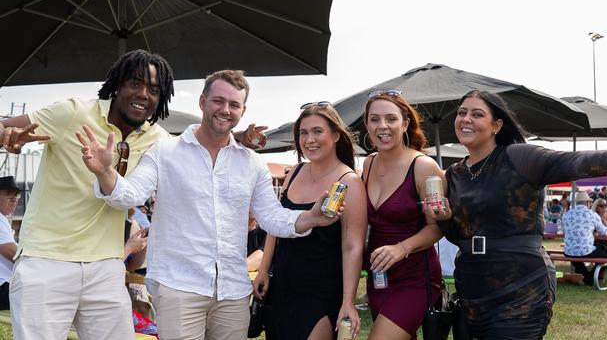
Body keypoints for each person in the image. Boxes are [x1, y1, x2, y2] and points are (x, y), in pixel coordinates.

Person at [0, 50, 266, 340]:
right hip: (45, 261)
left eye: (154, 90)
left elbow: (198, 144)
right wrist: (7, 137)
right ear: (118, 84)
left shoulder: (157, 139)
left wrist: (239, 139)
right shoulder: (73, 112)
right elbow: (8, 128)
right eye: (135, 83)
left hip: (106, 265)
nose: (143, 94)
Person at [77, 70, 343, 340]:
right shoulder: (164, 152)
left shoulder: (251, 163)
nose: (225, 110)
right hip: (179, 287)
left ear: (243, 110)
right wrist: (105, 173)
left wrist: (310, 218)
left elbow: (271, 217)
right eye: (218, 101)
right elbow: (130, 194)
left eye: (234, 104)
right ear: (203, 101)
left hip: (233, 292)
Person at [433, 90, 607, 339]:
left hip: (520, 290)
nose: (466, 119)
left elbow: (575, 161)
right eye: (462, 112)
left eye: (477, 114)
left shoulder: (518, 158)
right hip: (471, 291)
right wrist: (444, 218)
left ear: (496, 125)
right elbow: (458, 235)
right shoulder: (454, 175)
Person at [253, 101, 367, 340]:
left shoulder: (349, 181)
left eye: (317, 131)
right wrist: (264, 270)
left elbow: (352, 246)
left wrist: (348, 301)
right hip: (281, 287)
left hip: (321, 292)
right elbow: (277, 224)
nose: (309, 139)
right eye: (303, 133)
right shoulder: (294, 172)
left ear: (335, 135)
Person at [362, 90, 447, 340]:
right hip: (379, 277)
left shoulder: (423, 166)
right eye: (374, 119)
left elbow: (439, 226)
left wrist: (402, 248)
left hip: (415, 278)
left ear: (405, 123)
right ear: (366, 124)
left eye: (391, 118)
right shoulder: (367, 164)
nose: (382, 126)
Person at [562, 192, 607, 285]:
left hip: (568, 250)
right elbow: (603, 230)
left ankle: (586, 278)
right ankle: (590, 279)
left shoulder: (567, 214)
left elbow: (565, 231)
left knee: (577, 259)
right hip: (585, 250)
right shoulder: (592, 214)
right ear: (588, 202)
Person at [0, 176, 20, 310]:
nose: (14, 199)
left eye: (16, 195)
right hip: (3, 287)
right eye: (8, 194)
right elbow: (15, 255)